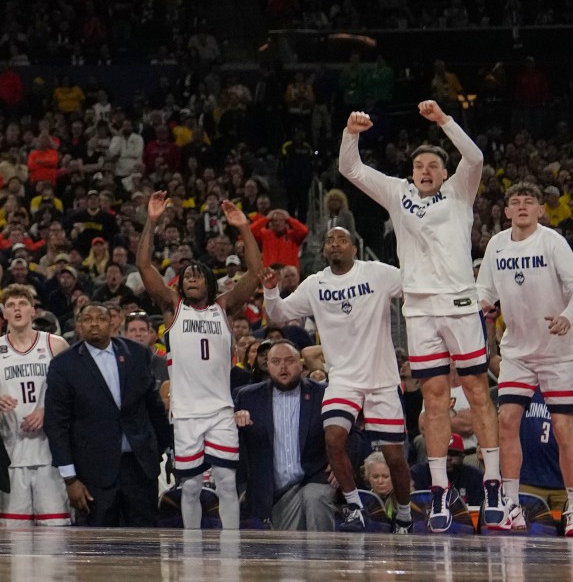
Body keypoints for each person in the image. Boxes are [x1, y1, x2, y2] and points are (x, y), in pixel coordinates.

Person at [339, 102, 501, 528]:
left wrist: (444, 121)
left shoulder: (460, 190)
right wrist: (351, 132)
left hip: (460, 303)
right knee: (433, 400)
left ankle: (493, 482)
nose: (425, 171)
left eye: (433, 166)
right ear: (411, 172)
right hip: (419, 309)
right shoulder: (398, 193)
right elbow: (350, 169)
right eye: (419, 166)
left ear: (445, 173)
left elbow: (475, 157)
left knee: (478, 391)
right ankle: (440, 491)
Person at [264, 226, 415, 532]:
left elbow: (413, 284)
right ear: (323, 250)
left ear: (354, 247)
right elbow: (278, 315)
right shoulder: (314, 284)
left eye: (342, 239)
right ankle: (355, 505)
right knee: (333, 439)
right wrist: (270, 291)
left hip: (381, 379)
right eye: (329, 240)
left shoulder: (377, 273)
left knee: (394, 457)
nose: (335, 244)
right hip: (343, 379)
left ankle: (404, 513)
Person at [135, 193, 263, 529]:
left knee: (226, 483)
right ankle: (191, 548)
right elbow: (144, 266)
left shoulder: (225, 307)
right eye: (186, 275)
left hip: (220, 410)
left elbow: (255, 272)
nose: (191, 278)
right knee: (190, 486)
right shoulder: (173, 307)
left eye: (197, 274)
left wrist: (244, 228)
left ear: (209, 282)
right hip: (186, 412)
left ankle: (231, 546)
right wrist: (152, 221)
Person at [473, 180, 573, 535]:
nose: (522, 206)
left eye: (529, 201)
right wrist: (480, 305)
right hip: (517, 352)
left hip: (556, 351)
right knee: (507, 421)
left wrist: (568, 317)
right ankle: (511, 503)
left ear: (541, 210)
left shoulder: (552, 241)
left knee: (563, 428)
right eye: (515, 201)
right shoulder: (496, 244)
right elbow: (483, 290)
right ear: (507, 210)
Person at [43, 304, 167, 528]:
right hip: (93, 473)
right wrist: (70, 479)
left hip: (139, 468)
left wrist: (160, 450)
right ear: (79, 326)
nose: (94, 323)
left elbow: (154, 407)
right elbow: (56, 424)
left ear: (112, 323)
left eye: (100, 318)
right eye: (87, 319)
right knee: (97, 544)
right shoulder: (63, 365)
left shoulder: (137, 354)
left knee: (146, 541)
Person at [0, 286, 69, 527]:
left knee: (55, 533)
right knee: (15, 539)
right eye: (11, 305)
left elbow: (73, 395)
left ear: (33, 311)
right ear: (4, 314)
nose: (17, 309)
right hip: (11, 454)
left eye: (23, 304)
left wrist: (47, 411)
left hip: (50, 454)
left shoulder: (56, 345)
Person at [234, 341, 334, 529]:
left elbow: (351, 432)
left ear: (301, 364)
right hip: (272, 493)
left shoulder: (323, 394)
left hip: (313, 478)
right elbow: (232, 441)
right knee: (287, 545)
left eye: (289, 361)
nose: (283, 366)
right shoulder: (248, 398)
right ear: (267, 365)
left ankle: (322, 549)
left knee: (315, 497)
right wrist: (235, 422)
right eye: (276, 361)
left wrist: (341, 464)